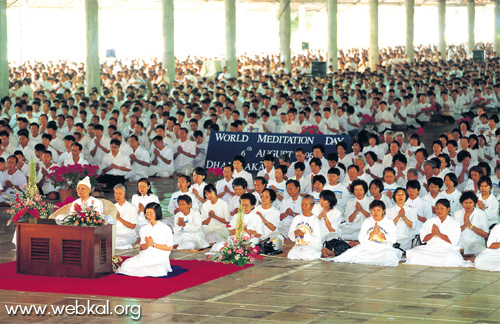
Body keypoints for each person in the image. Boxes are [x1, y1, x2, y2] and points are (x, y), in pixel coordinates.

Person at [333, 200, 402, 267]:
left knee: (389, 257)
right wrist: (372, 234)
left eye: (378, 210)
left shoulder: (389, 222)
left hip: (383, 248)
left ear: (383, 211)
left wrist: (380, 234)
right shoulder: (367, 221)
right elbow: (360, 238)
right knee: (350, 254)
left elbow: (393, 239)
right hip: (368, 247)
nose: (376, 213)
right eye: (373, 210)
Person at [406, 199, 471, 267]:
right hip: (430, 248)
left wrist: (438, 234)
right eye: (437, 208)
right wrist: (432, 234)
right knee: (413, 253)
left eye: (442, 208)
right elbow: (423, 239)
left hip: (446, 249)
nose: (439, 210)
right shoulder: (430, 221)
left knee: (450, 258)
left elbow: (453, 241)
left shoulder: (454, 223)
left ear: (448, 209)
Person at [117, 202, 174, 277]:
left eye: (151, 213)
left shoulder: (165, 228)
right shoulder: (144, 228)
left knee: (159, 270)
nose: (149, 216)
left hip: (159, 259)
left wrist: (153, 244)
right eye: (147, 214)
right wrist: (147, 244)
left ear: (157, 213)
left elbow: (170, 247)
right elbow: (142, 247)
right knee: (126, 265)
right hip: (145, 257)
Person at [287, 195, 323, 260]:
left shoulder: (315, 221)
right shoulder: (296, 218)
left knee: (307, 252)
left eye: (306, 205)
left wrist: (303, 235)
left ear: (312, 206)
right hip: (299, 246)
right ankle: (307, 255)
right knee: (291, 254)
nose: (303, 207)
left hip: (312, 246)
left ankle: (316, 254)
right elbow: (290, 234)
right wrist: (294, 234)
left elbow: (318, 239)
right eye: (302, 204)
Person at [454, 191, 489, 256]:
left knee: (482, 250)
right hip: (461, 242)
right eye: (465, 203)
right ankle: (467, 256)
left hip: (476, 243)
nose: (468, 205)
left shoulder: (481, 214)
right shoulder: (457, 214)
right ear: (462, 203)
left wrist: (470, 225)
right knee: (451, 249)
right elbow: (453, 232)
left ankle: (465, 256)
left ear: (475, 203)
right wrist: (465, 225)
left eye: (470, 203)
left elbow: (486, 234)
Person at [114, 184, 138, 250]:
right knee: (107, 240)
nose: (117, 196)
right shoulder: (113, 207)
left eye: (120, 193)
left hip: (128, 234)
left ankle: (125, 246)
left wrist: (119, 218)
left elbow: (132, 226)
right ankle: (127, 247)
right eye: (116, 193)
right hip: (115, 233)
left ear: (125, 194)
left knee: (123, 240)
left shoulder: (132, 207)